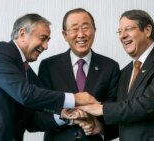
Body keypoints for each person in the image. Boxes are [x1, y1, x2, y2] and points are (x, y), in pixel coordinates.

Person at [0, 13, 98, 141]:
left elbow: (30, 121)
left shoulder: (29, 74)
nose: (46, 46)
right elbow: (25, 94)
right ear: (22, 34)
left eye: (48, 40)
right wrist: (74, 98)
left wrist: (63, 115)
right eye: (43, 38)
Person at [77, 9, 154, 141]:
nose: (122, 35)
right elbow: (125, 114)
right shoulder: (124, 73)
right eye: (119, 31)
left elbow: (147, 105)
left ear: (147, 30)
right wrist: (101, 128)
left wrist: (101, 108)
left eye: (128, 29)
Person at [29, 8, 120, 141]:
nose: (81, 34)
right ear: (65, 35)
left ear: (94, 30)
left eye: (85, 27)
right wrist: (64, 117)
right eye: (75, 29)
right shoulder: (49, 66)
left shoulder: (110, 67)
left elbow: (116, 111)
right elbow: (39, 114)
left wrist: (100, 126)